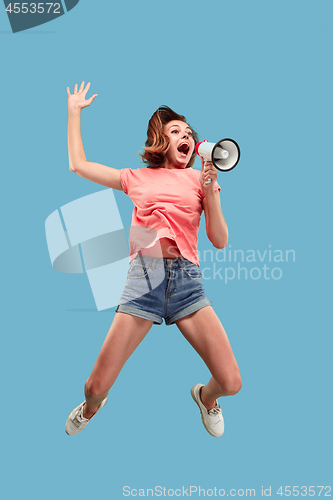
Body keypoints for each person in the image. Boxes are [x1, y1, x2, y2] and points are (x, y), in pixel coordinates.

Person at [65, 81, 242, 438]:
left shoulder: (199, 179)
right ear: (160, 140)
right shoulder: (136, 178)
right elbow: (78, 165)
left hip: (186, 283)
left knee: (231, 381)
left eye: (189, 132)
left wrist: (210, 190)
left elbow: (220, 241)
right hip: (143, 280)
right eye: (176, 130)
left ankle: (205, 398)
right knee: (94, 387)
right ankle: (90, 409)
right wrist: (74, 112)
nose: (186, 135)